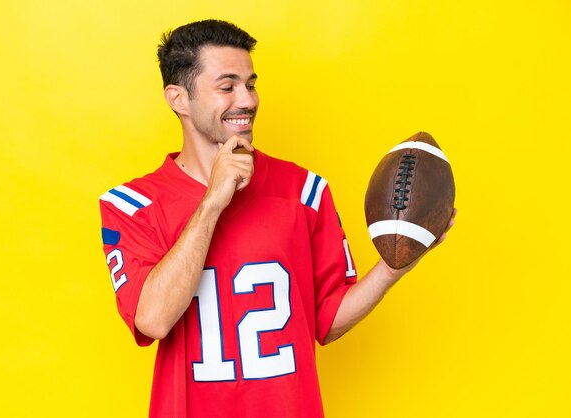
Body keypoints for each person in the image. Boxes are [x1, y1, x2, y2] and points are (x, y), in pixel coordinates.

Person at [99, 19, 455, 418]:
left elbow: (325, 322)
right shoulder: (131, 205)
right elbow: (154, 320)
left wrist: (391, 270)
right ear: (178, 98)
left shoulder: (304, 191)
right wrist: (212, 202)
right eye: (227, 86)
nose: (247, 100)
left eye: (250, 84)